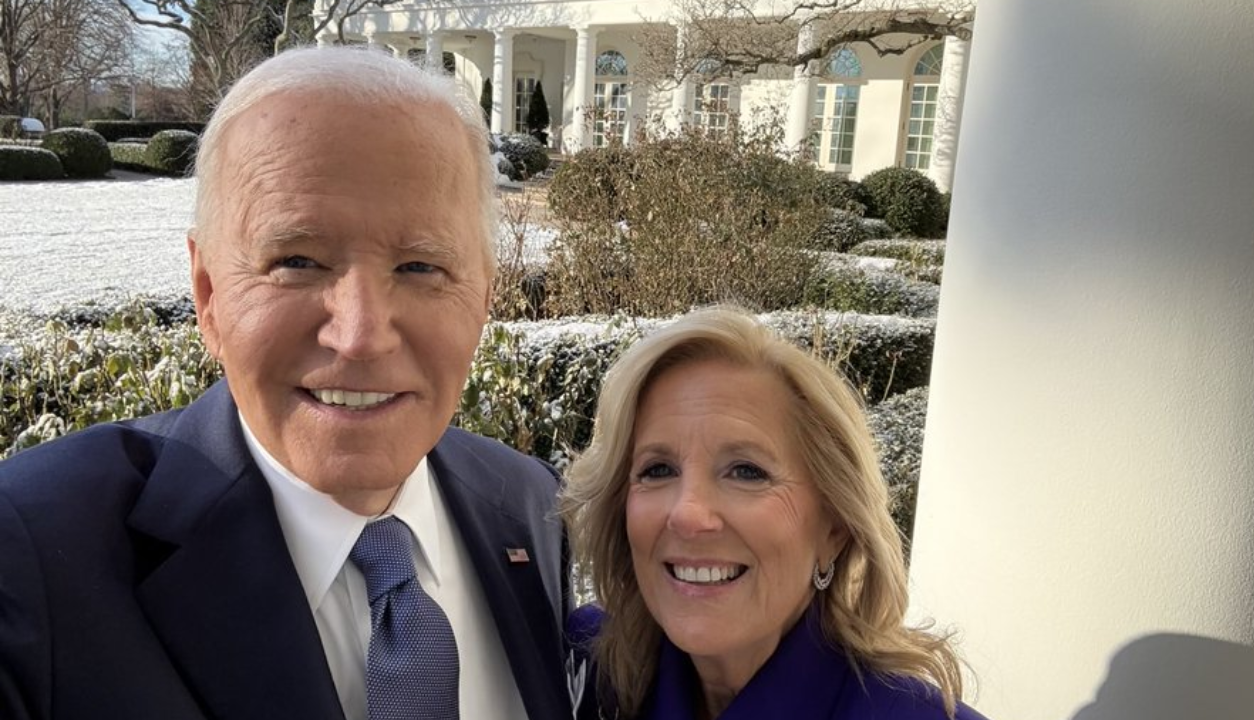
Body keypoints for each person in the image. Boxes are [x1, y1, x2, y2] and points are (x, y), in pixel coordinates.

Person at [0, 47, 574, 720]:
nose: (359, 335)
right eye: (296, 261)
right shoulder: (31, 553)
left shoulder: (529, 503)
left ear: (483, 295)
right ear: (208, 294)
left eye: (420, 267)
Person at [561, 307, 990, 720]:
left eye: (747, 472)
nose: (688, 514)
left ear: (835, 528)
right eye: (657, 470)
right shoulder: (586, 669)